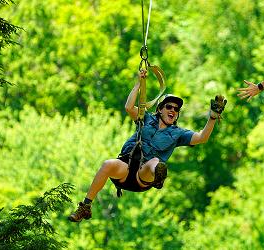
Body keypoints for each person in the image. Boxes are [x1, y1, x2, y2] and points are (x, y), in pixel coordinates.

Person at [68, 70, 227, 222]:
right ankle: (86, 206)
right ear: (160, 109)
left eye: (176, 109)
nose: (173, 110)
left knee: (155, 162)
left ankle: (158, 176)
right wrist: (139, 83)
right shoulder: (146, 118)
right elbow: (129, 108)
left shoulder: (178, 133)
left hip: (143, 176)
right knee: (108, 164)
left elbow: (202, 137)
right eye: (169, 107)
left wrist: (212, 117)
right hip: (126, 167)